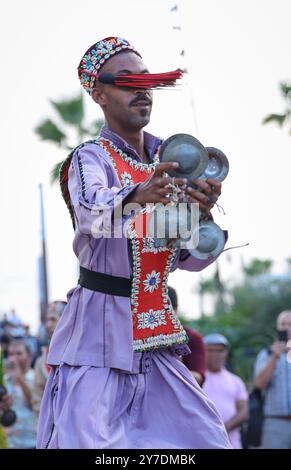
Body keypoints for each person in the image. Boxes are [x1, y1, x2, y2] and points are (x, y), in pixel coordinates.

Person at [37, 36, 230, 449]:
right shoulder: (91, 157)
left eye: (148, 81)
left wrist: (202, 213)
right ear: (99, 94)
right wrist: (138, 195)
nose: (143, 90)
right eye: (128, 82)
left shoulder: (171, 157)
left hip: (155, 334)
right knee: (89, 445)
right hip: (96, 335)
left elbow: (186, 259)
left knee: (204, 441)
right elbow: (91, 215)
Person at [203, 334, 249, 449]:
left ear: (226, 353)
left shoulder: (235, 381)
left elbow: (244, 412)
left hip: (231, 444)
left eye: (220, 350)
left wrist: (222, 429)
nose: (216, 355)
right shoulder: (196, 379)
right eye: (211, 350)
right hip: (202, 442)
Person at [254, 310, 291, 449]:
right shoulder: (266, 354)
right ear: (278, 327)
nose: (286, 328)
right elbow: (259, 385)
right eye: (283, 324)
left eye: (290, 324)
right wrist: (275, 357)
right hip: (275, 423)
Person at [32, 301, 66, 416]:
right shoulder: (41, 361)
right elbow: (37, 401)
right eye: (47, 320)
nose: (48, 325)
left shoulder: (80, 356)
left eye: (53, 319)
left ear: (67, 319)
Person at [168, 285, 206, 385]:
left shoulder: (192, 337)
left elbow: (199, 378)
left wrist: (174, 367)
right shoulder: (138, 338)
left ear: (175, 309)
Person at [4, 339, 37, 448]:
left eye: (19, 353)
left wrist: (20, 379)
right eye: (11, 354)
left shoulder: (36, 378)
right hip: (10, 442)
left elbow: (35, 404)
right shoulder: (5, 379)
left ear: (29, 356)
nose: (14, 358)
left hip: (33, 441)